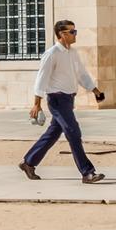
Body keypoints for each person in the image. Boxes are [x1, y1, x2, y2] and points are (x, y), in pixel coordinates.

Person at [17, 18, 104, 184]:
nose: (75, 34)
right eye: (72, 32)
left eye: (75, 31)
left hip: (68, 99)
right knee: (73, 132)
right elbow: (41, 79)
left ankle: (28, 162)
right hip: (57, 99)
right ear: (61, 35)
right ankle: (87, 173)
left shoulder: (73, 53)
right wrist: (37, 103)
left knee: (52, 134)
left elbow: (81, 74)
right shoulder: (52, 54)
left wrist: (95, 90)